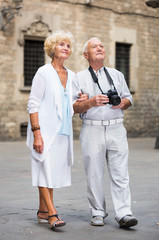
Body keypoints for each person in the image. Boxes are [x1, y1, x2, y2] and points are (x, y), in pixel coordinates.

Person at [72, 37, 138, 228]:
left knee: (120, 172)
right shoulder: (78, 78)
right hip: (92, 128)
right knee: (93, 173)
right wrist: (90, 102)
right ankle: (97, 212)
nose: (100, 48)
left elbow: (128, 99)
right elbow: (74, 108)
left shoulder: (117, 74)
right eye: (94, 46)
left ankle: (124, 213)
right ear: (86, 55)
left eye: (101, 46)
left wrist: (121, 103)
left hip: (117, 127)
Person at [26, 30, 87, 230]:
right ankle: (52, 213)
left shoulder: (72, 75)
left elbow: (73, 102)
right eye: (61, 44)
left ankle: (42, 210)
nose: (66, 48)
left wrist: (83, 100)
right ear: (52, 49)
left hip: (63, 131)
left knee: (49, 170)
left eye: (68, 46)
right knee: (43, 168)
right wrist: (37, 133)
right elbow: (32, 104)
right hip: (44, 130)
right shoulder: (43, 72)